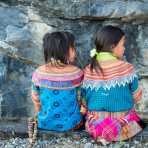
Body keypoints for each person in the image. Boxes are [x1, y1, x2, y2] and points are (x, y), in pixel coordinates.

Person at [81, 25, 143, 144]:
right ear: (112, 47)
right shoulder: (127, 68)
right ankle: (115, 133)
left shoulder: (88, 69)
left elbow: (84, 101)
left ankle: (103, 136)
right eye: (122, 44)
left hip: (96, 126)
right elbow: (137, 96)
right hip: (123, 126)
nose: (124, 48)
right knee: (139, 121)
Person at [31, 31, 83, 132]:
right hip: (72, 124)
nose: (75, 52)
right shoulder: (77, 73)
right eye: (73, 48)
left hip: (44, 123)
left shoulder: (38, 73)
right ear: (64, 51)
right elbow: (81, 99)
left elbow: (36, 99)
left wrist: (39, 115)